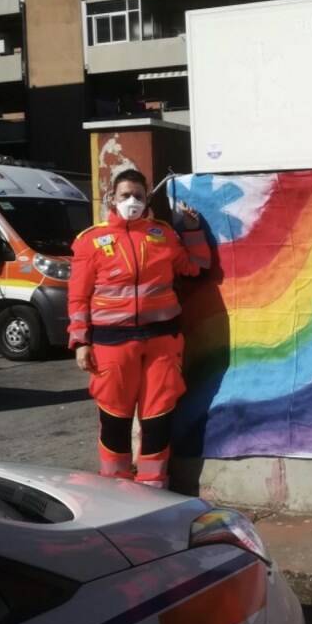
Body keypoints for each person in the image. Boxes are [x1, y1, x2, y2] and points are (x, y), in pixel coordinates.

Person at [67, 168, 210, 489]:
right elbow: (78, 296)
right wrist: (80, 342)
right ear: (111, 199)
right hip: (111, 344)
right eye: (125, 195)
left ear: (147, 200)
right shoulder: (90, 241)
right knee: (114, 417)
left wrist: (193, 230)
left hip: (162, 341)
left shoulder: (163, 235)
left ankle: (153, 486)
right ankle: (113, 485)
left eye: (139, 195)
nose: (132, 201)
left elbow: (196, 268)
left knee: (158, 418)